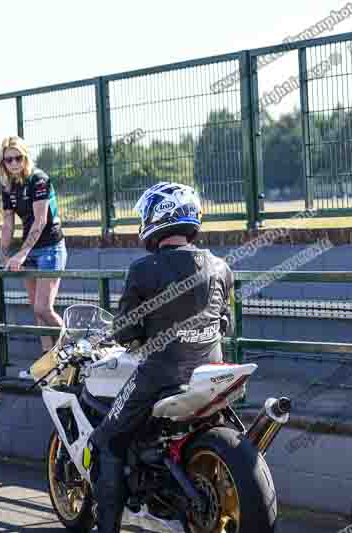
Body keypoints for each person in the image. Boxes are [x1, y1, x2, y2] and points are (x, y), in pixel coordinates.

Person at [87, 182, 234, 533]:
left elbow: (124, 332)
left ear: (157, 217)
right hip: (212, 373)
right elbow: (224, 322)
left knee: (106, 439)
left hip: (161, 377)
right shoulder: (221, 267)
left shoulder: (143, 269)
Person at [0, 136, 67, 354]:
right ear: (4, 163)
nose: (14, 163)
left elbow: (41, 221)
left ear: (25, 157)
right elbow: (8, 224)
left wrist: (21, 254)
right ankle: (47, 364)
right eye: (9, 160)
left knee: (43, 308)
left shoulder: (39, 179)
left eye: (18, 158)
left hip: (50, 248)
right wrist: (3, 253)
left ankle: (75, 349)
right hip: (29, 251)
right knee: (37, 313)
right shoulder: (8, 187)